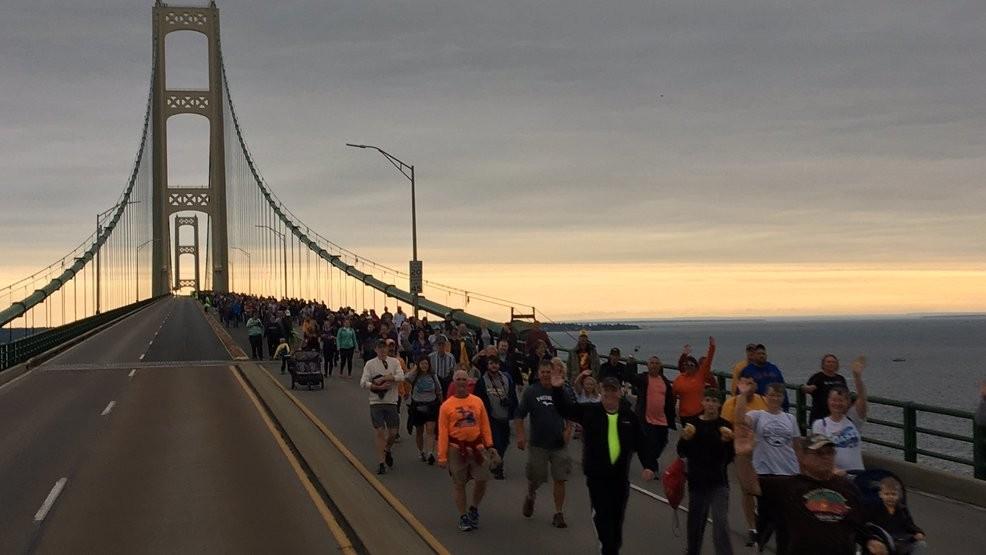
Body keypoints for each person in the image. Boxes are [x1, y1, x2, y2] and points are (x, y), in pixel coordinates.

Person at [551, 375, 656, 555]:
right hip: (597, 477)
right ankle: (607, 549)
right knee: (603, 519)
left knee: (616, 522)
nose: (609, 394)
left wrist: (649, 465)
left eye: (612, 390)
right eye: (605, 390)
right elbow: (565, 409)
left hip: (620, 478)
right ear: (600, 392)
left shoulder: (628, 416)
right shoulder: (590, 411)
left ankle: (611, 548)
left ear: (620, 393)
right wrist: (557, 389)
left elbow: (642, 442)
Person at [735, 433, 889, 555]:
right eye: (819, 453)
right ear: (803, 457)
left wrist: (871, 540)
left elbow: (858, 524)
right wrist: (743, 457)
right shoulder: (786, 486)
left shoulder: (848, 487)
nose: (826, 457)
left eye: (829, 452)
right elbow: (750, 486)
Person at [736, 380, 800, 551]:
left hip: (788, 473)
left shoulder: (790, 418)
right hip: (765, 473)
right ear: (765, 397)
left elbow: (796, 445)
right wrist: (742, 395)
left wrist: (802, 469)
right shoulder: (758, 415)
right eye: (771, 395)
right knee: (766, 514)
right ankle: (761, 539)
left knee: (785, 519)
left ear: (783, 398)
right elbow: (740, 419)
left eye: (778, 395)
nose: (775, 398)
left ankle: (782, 546)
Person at [515, 359, 573, 528]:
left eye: (549, 372)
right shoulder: (531, 392)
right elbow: (519, 414)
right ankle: (531, 495)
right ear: (539, 374)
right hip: (538, 443)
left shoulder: (562, 391)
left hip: (558, 443)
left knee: (560, 478)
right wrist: (520, 435)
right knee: (536, 477)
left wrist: (568, 431)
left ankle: (558, 513)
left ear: (554, 373)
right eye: (543, 372)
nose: (547, 375)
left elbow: (571, 413)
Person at [677, 388, 735, 555]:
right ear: (702, 402)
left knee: (720, 522)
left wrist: (726, 443)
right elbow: (682, 450)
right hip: (697, 481)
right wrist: (685, 439)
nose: (710, 404)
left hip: (718, 482)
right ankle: (693, 551)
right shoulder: (693, 424)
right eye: (708, 400)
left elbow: (730, 456)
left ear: (719, 404)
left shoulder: (725, 426)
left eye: (714, 401)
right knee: (696, 523)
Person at [437, 369, 496, 532]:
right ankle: (463, 516)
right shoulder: (446, 406)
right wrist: (442, 456)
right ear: (454, 383)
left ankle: (474, 508)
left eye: (464, 379)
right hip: (457, 449)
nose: (462, 382)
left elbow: (485, 425)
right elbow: (442, 432)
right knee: (459, 483)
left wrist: (489, 445)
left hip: (477, 447)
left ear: (468, 382)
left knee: (482, 479)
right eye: (459, 379)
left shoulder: (477, 402)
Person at [811, 356, 869, 472]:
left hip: (857, 472)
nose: (837, 403)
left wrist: (857, 377)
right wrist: (834, 470)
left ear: (847, 402)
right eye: (834, 400)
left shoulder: (852, 419)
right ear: (828, 401)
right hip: (835, 475)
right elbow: (819, 454)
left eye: (841, 400)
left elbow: (862, 400)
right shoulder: (820, 425)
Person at [359, 339, 405, 475]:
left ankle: (387, 449)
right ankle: (381, 463)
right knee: (379, 431)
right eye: (380, 348)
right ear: (376, 350)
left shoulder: (395, 362)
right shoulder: (370, 364)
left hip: (391, 401)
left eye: (384, 347)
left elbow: (401, 376)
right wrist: (375, 386)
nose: (383, 350)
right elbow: (363, 382)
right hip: (376, 402)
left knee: (392, 433)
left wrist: (386, 378)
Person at [628, 356, 676, 473]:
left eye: (656, 363)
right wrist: (630, 364)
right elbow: (630, 378)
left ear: (660, 366)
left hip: (662, 418)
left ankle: (650, 461)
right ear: (648, 366)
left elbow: (670, 399)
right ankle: (651, 467)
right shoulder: (643, 378)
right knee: (650, 442)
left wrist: (672, 415)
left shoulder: (664, 381)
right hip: (646, 418)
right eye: (652, 363)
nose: (654, 365)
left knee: (662, 442)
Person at [474, 357, 519, 479]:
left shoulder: (506, 379)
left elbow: (513, 396)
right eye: (491, 364)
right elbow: (477, 400)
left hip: (504, 416)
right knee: (496, 443)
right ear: (487, 365)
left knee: (505, 442)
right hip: (491, 417)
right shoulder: (482, 381)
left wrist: (513, 407)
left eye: (496, 364)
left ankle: (496, 461)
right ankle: (498, 467)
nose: (494, 366)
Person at [865, 476, 927, 554]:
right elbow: (867, 526)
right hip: (881, 541)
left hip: (900, 540)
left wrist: (918, 532)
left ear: (898, 495)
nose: (890, 497)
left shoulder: (902, 509)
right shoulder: (874, 508)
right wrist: (872, 539)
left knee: (921, 544)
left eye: (893, 494)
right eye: (887, 494)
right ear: (880, 494)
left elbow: (910, 524)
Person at [406, 357, 443, 464]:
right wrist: (414, 369)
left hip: (431, 405)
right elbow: (406, 378)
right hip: (418, 405)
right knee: (419, 431)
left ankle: (430, 453)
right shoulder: (415, 376)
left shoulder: (432, 375)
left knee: (430, 430)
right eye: (422, 364)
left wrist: (442, 403)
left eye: (426, 364)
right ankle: (421, 451)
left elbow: (439, 390)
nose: (424, 366)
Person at [672, 336, 717, 425]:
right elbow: (673, 397)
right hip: (684, 415)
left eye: (691, 365)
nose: (688, 366)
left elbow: (708, 361)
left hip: (699, 413)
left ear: (696, 367)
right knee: (688, 436)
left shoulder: (700, 375)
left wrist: (712, 347)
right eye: (686, 365)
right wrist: (684, 354)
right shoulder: (679, 379)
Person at [740, 344, 789, 410]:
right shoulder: (747, 371)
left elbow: (782, 387)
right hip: (757, 406)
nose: (761, 356)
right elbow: (741, 390)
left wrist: (785, 406)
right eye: (759, 354)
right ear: (754, 355)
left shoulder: (773, 368)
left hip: (774, 404)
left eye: (763, 354)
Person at [803, 354, 848, 423]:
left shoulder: (840, 378)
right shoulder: (818, 377)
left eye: (833, 362)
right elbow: (807, 388)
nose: (831, 364)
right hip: (819, 416)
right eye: (828, 362)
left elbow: (846, 394)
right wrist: (808, 388)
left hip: (837, 415)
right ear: (823, 364)